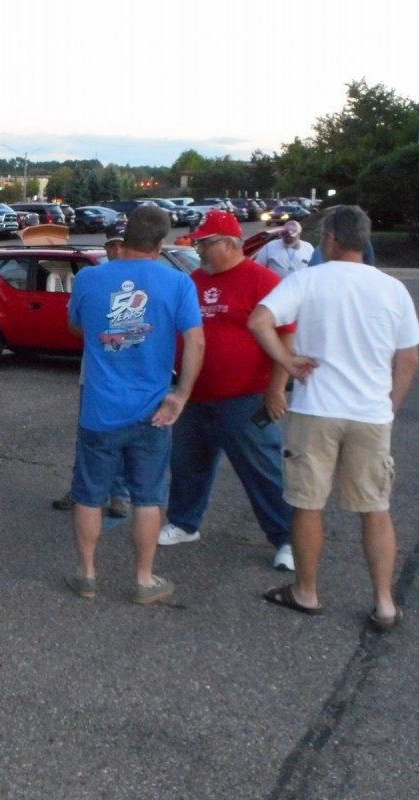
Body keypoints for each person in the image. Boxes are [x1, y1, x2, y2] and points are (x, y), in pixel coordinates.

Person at [248, 205, 419, 631]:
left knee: (308, 505)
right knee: (375, 508)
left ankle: (306, 591)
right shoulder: (393, 289)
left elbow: (260, 321)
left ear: (330, 239)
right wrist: (390, 407)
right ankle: (384, 603)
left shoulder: (307, 280)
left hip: (316, 411)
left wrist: (287, 362)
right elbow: (409, 358)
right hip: (370, 414)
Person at [64, 206, 204, 604]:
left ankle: (87, 574)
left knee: (89, 494)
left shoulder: (90, 277)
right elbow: (196, 342)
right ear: (161, 243)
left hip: (99, 410)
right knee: (148, 497)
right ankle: (143, 579)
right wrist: (181, 396)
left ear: (124, 237)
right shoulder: (178, 283)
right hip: (153, 412)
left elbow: (75, 326)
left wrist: (108, 330)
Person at [160, 210, 297, 571]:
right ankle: (184, 523)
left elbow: (286, 335)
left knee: (263, 471)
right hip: (195, 394)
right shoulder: (192, 282)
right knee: (188, 464)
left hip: (246, 397)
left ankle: (287, 539)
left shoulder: (263, 281)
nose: (199, 249)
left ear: (228, 243)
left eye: (205, 243)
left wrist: (276, 389)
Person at [52, 234, 132, 518]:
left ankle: (120, 494)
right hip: (95, 374)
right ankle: (80, 490)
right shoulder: (92, 278)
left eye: (121, 244)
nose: (116, 250)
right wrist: (102, 334)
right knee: (88, 434)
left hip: (130, 376)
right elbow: (73, 324)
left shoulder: (141, 279)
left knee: (123, 434)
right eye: (111, 244)